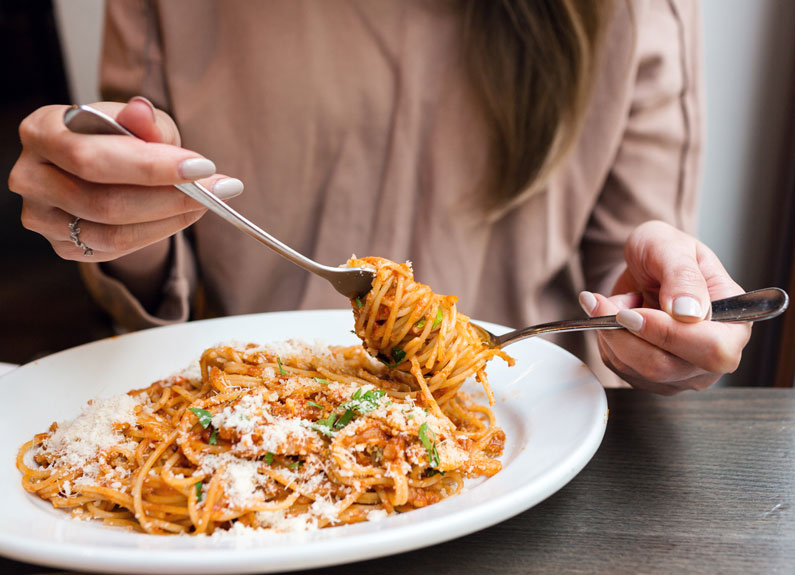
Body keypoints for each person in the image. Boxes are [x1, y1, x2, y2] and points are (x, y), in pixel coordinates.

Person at [8, 0, 750, 394]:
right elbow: (152, 277)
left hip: (521, 443)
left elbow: (631, 279)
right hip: (245, 422)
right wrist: (115, 217)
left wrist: (661, 330)